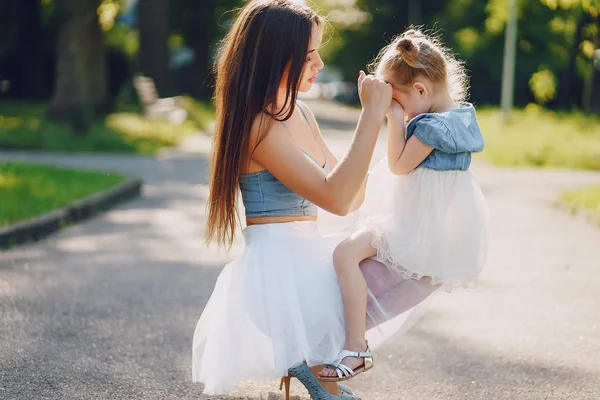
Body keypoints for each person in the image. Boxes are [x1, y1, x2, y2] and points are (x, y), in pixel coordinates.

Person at [191, 1, 397, 398]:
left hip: (308, 257)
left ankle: (309, 368)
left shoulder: (300, 112)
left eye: (317, 52)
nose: (319, 63)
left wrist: (394, 126)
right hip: (279, 273)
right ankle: (308, 368)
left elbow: (352, 197)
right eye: (308, 56)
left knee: (406, 266)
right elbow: (337, 199)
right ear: (275, 59)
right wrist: (369, 117)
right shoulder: (259, 126)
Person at [319, 28, 490, 381]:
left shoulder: (430, 127)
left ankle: (355, 348)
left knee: (344, 255)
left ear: (421, 91)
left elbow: (398, 164)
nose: (394, 110)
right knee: (362, 292)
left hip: (412, 227)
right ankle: (336, 346)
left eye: (396, 101)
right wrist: (399, 107)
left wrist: (394, 118)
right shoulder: (461, 118)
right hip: (435, 232)